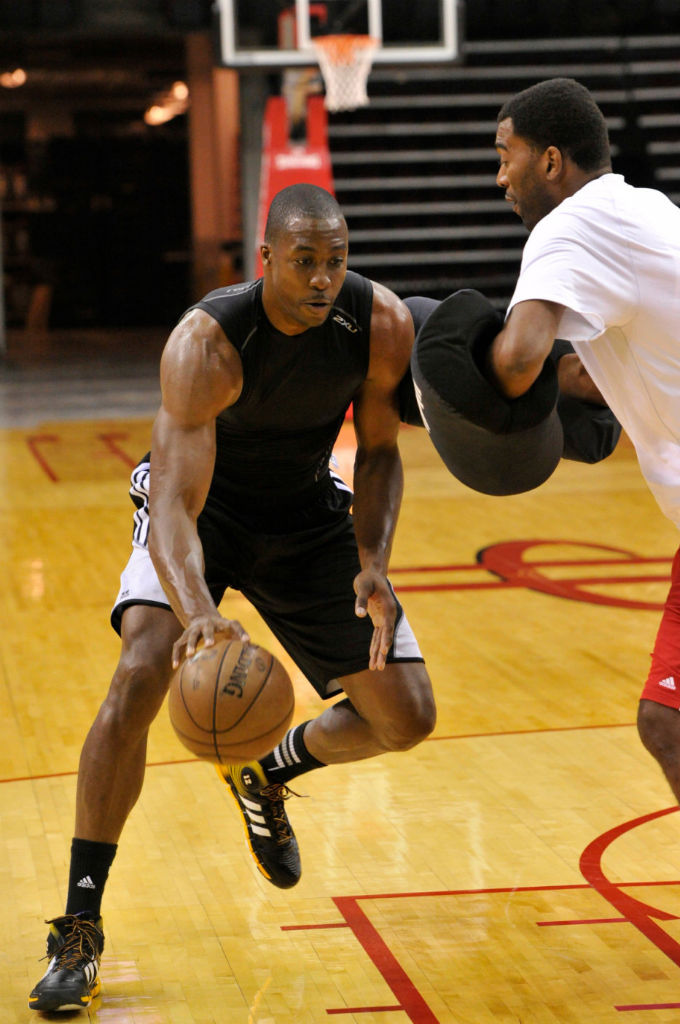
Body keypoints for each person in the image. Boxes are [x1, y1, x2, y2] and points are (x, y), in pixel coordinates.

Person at [28, 183, 436, 1013]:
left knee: (407, 716)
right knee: (141, 669)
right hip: (202, 513)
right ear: (267, 260)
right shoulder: (206, 342)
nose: (323, 279)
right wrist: (200, 611)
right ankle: (78, 924)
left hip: (306, 513)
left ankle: (267, 775)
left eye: (336, 260)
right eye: (304, 262)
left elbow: (384, 454)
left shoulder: (380, 324)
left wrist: (373, 560)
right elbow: (173, 505)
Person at [487, 79, 680, 811]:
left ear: (552, 161)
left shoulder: (568, 229)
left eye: (507, 156)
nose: (499, 175)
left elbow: (515, 360)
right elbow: (595, 372)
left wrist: (451, 391)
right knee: (668, 724)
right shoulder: (644, 207)